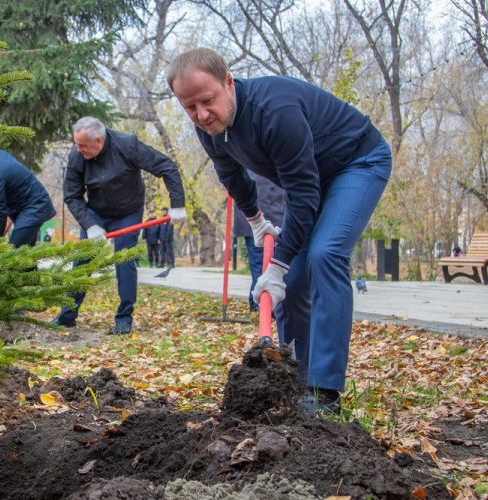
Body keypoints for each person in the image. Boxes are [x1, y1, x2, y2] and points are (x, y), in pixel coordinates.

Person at [168, 48, 392, 416]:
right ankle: (294, 381)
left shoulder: (274, 111)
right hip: (314, 180)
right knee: (295, 281)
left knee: (324, 256)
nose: (202, 115)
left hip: (357, 163)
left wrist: (278, 264)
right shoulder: (208, 128)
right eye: (190, 108)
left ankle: (324, 392)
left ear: (228, 81)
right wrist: (255, 220)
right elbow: (232, 176)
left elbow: (303, 194)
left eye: (207, 101)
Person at [53, 116, 186, 334]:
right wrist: (91, 224)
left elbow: (166, 167)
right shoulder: (77, 156)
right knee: (82, 261)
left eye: (83, 145)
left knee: (124, 260)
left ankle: (124, 319)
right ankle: (67, 315)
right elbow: (72, 196)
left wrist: (178, 205)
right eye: (76, 144)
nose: (79, 150)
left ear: (99, 141)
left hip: (128, 212)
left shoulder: (127, 144)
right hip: (95, 213)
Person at [233, 175, 285, 312]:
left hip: (256, 219)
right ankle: (262, 305)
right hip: (264, 219)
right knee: (261, 264)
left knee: (259, 263)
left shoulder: (247, 162)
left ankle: (256, 301)